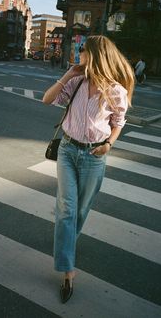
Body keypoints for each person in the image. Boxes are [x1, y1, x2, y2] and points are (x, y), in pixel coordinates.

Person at [43, 35, 135, 303]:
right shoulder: (76, 81)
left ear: (94, 54)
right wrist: (68, 72)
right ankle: (68, 271)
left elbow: (119, 121)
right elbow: (47, 100)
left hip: (95, 155)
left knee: (80, 210)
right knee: (67, 209)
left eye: (82, 50)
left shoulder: (115, 90)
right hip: (68, 150)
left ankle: (66, 243)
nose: (78, 52)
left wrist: (109, 143)